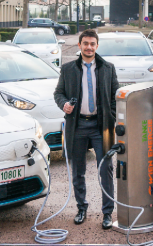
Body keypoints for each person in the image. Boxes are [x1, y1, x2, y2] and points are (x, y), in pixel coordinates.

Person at [53, 29, 120, 229]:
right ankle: (82, 208)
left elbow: (116, 96)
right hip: (78, 125)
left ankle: (107, 213)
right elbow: (58, 93)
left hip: (101, 127)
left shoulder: (108, 68)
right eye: (85, 43)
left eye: (92, 44)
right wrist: (64, 104)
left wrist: (112, 116)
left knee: (105, 169)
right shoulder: (67, 69)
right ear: (80, 46)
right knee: (78, 170)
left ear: (97, 46)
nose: (89, 47)